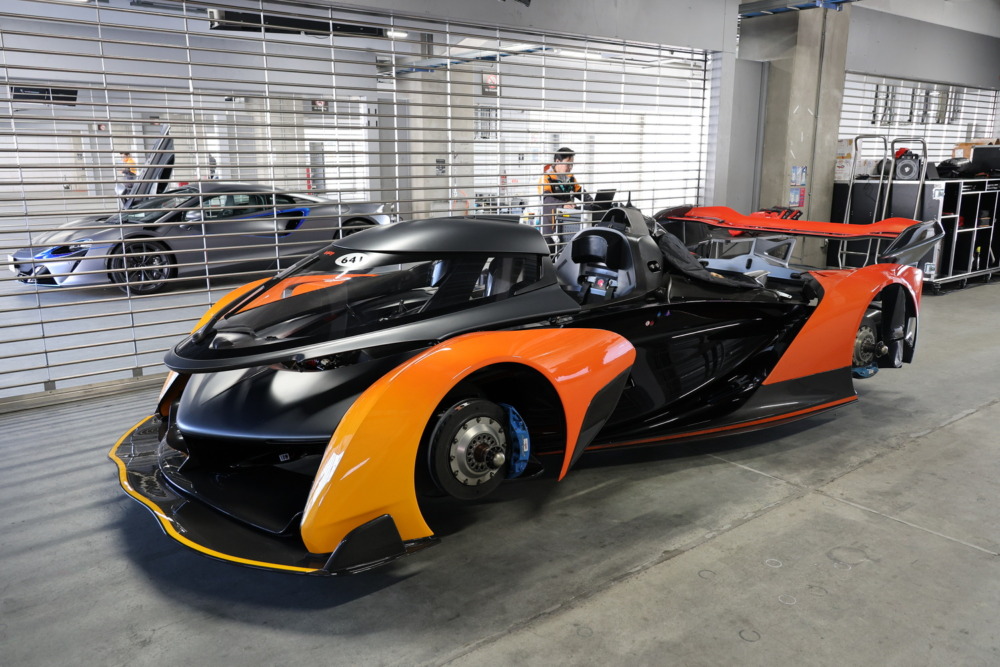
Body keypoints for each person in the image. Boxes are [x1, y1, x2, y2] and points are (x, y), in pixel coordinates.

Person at [538, 147, 589, 251]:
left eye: (572, 164)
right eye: (568, 164)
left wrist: (594, 203)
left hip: (568, 228)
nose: (570, 167)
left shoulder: (570, 178)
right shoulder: (546, 178)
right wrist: (563, 205)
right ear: (558, 161)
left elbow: (583, 195)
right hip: (551, 232)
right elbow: (546, 200)